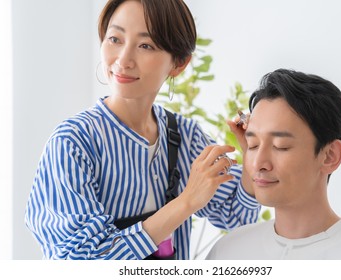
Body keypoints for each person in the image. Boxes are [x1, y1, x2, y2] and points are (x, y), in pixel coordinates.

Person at [24, 0, 260, 260]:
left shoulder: (185, 136)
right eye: (115, 39)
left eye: (145, 45)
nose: (123, 60)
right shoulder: (73, 142)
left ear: (178, 64)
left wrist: (252, 155)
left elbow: (237, 217)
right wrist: (186, 202)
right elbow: (80, 261)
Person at [206, 68, 341, 260]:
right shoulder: (228, 252)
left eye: (280, 146)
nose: (259, 163)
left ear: (329, 156)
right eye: (253, 145)